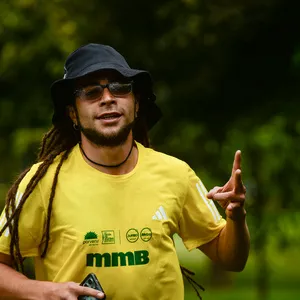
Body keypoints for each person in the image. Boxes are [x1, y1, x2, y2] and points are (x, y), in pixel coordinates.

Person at [0, 43, 250, 300]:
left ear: (136, 103)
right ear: (73, 113)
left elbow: (231, 258)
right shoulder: (44, 183)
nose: (108, 98)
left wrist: (236, 217)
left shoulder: (176, 174)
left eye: (120, 88)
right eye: (91, 91)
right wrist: (44, 291)